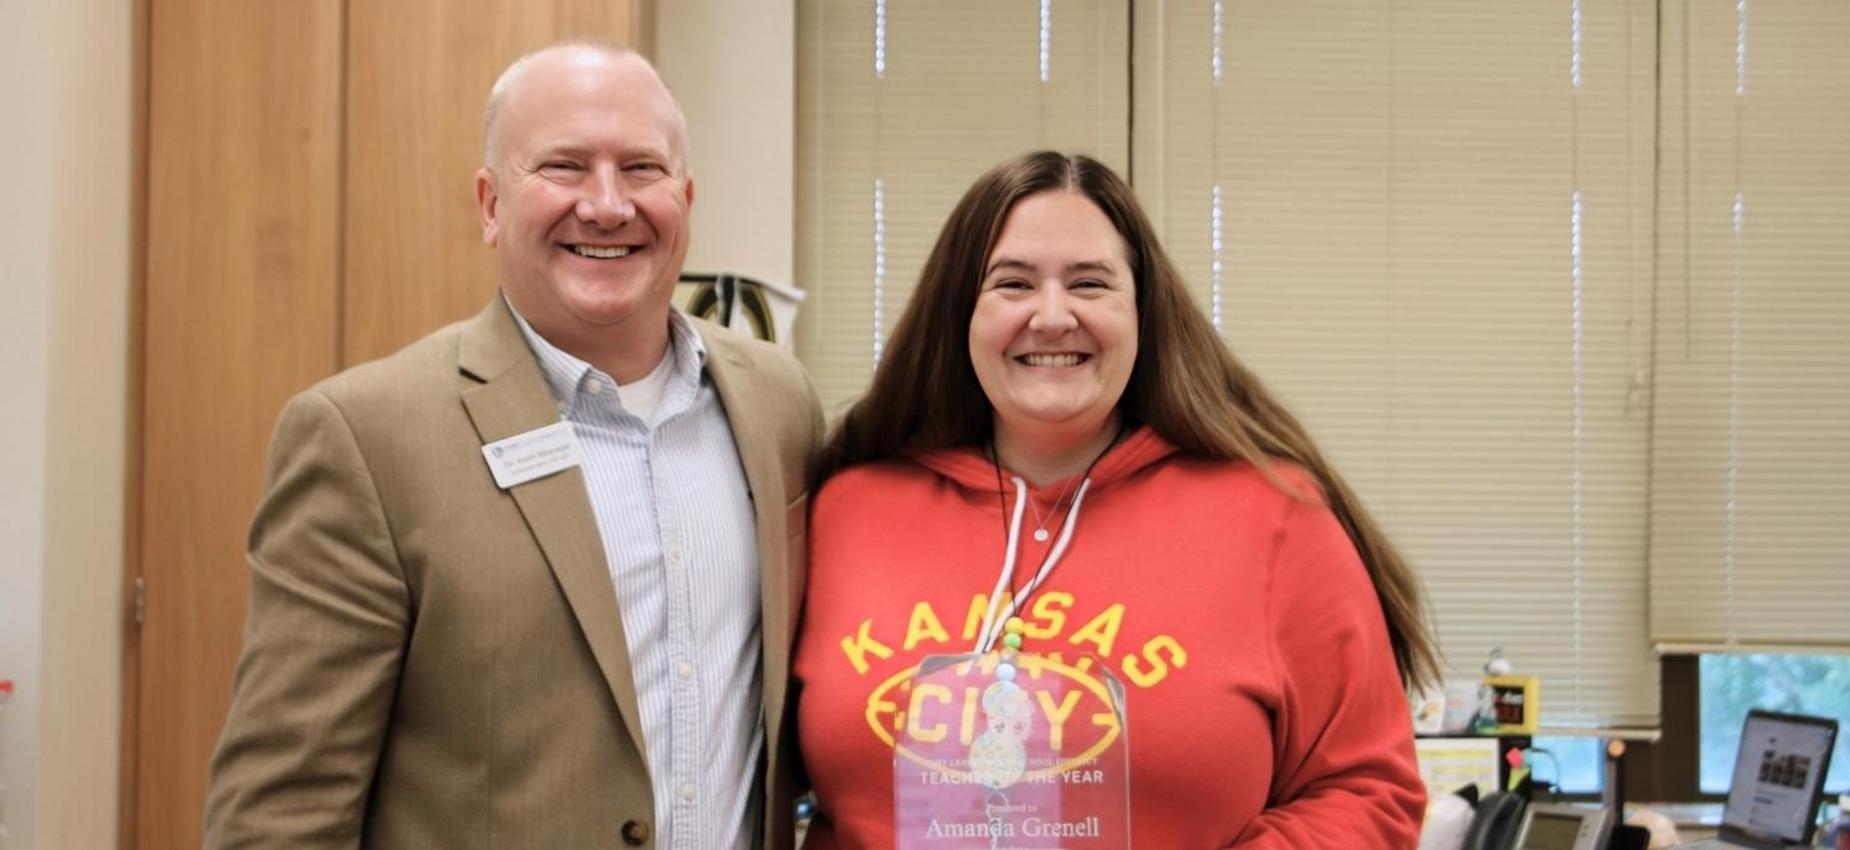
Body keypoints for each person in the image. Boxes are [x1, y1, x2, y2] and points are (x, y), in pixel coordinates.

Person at [204, 42, 823, 850]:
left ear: (686, 196)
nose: (607, 205)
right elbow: (281, 812)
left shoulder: (779, 405)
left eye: (641, 169)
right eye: (564, 167)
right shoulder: (366, 437)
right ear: (491, 203)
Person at [792, 151, 1438, 848]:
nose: (1051, 316)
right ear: (960, 313)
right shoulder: (845, 510)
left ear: (1142, 311)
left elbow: (1368, 792)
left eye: (1090, 284)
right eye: (1012, 283)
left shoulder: (1275, 515)